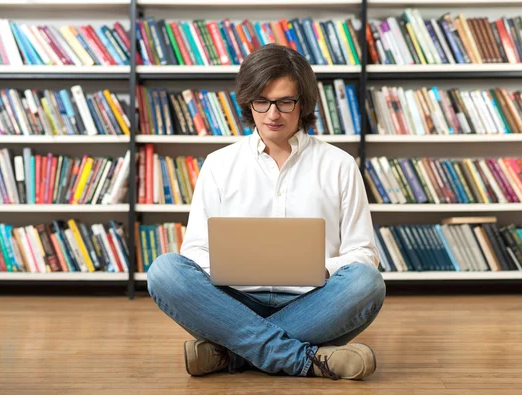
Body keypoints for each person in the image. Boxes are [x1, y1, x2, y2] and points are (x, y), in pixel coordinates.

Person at [147, 43, 386, 381]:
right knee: (164, 271)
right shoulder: (219, 164)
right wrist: (236, 268)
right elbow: (196, 252)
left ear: (303, 104)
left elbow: (363, 254)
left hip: (313, 303)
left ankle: (230, 353)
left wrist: (314, 268)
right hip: (234, 301)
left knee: (367, 284)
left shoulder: (339, 165)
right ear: (249, 103)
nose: (273, 114)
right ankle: (303, 359)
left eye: (285, 102)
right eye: (262, 101)